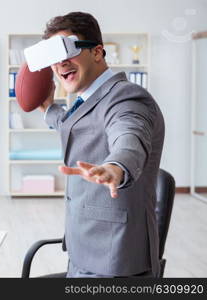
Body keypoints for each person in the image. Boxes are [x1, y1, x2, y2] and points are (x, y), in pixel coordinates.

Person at [39, 12, 165, 277]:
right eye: (53, 57)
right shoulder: (87, 99)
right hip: (83, 249)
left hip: (115, 261)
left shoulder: (127, 98)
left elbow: (129, 137)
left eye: (67, 52)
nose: (60, 64)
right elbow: (74, 126)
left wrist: (116, 166)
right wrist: (49, 108)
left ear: (97, 52)